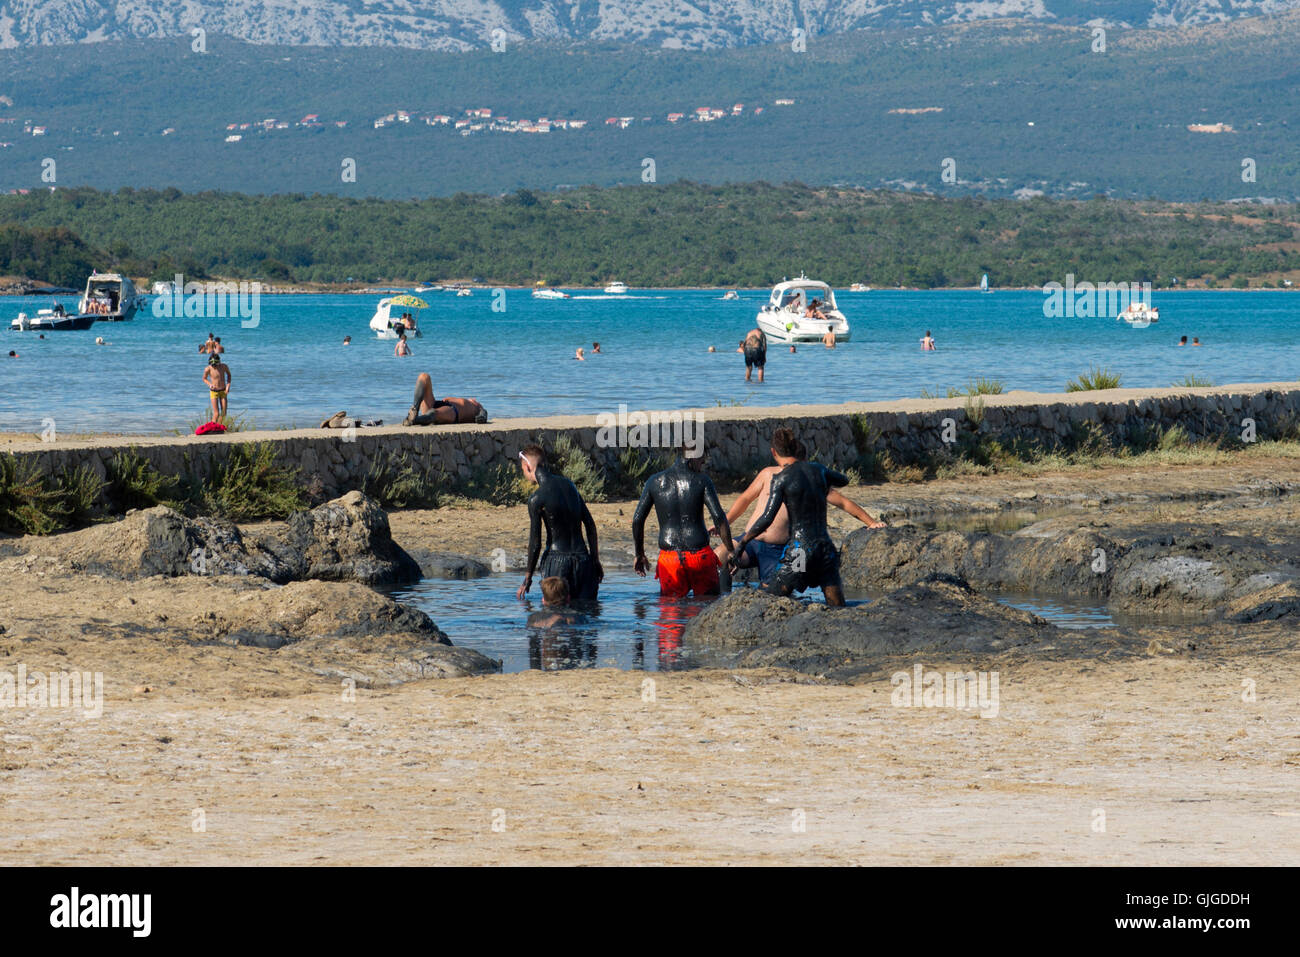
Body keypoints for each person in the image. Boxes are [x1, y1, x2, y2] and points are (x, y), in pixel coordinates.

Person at [714, 429, 884, 582]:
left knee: (780, 588)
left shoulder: (807, 479)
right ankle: (719, 603)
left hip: (779, 548)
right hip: (751, 542)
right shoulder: (767, 473)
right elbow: (744, 500)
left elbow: (843, 502)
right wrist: (723, 524)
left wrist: (871, 523)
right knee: (718, 556)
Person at [732, 448, 853, 607]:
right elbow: (844, 480)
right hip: (825, 550)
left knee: (772, 600)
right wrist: (821, 471)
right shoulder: (818, 472)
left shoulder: (784, 478)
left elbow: (767, 518)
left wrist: (744, 541)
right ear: (804, 458)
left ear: (775, 453)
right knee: (838, 607)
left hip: (801, 550)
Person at [632, 447, 732, 598]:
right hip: (700, 557)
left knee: (671, 616)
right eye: (701, 460)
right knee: (708, 611)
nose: (702, 464)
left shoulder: (655, 481)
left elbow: (637, 520)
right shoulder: (702, 480)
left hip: (670, 559)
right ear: (693, 457)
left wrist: (639, 554)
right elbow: (719, 517)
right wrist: (731, 551)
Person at [517, 444, 603, 602]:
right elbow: (590, 525)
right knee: (587, 617)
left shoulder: (536, 498)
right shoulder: (570, 486)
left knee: (556, 617)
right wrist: (595, 560)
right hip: (584, 560)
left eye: (523, 470)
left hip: (557, 562)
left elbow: (535, 543)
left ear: (527, 466)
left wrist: (527, 577)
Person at [403, 372, 488, 425]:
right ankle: (414, 409)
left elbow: (483, 413)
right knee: (424, 376)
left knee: (434, 413)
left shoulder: (476, 405)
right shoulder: (470, 402)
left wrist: (482, 417)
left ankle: (415, 420)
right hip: (438, 403)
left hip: (453, 411)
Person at [203, 354, 231, 420]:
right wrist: (210, 384)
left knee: (224, 413)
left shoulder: (224, 366)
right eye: (213, 365)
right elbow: (204, 378)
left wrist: (228, 386)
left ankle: (219, 427)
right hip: (214, 392)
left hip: (223, 391)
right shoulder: (208, 369)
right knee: (216, 413)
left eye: (216, 364)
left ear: (219, 362)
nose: (214, 366)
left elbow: (229, 375)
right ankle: (212, 428)